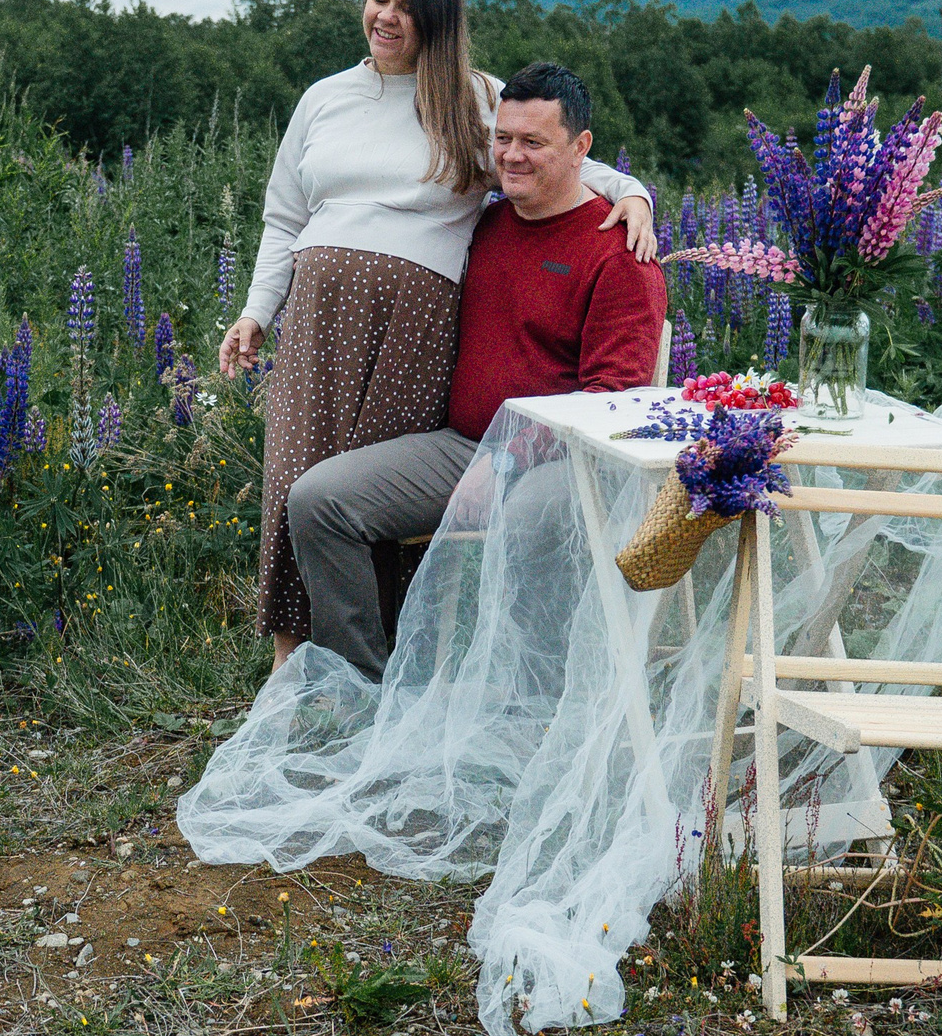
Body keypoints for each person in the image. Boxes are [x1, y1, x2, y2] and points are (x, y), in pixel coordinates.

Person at [219, 0, 655, 669]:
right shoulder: (324, 98)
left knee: (369, 510)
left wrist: (634, 193)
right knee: (296, 486)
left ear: (439, 21)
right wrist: (257, 310)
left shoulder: (473, 99)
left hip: (408, 335)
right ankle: (301, 674)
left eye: (408, 8)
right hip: (318, 323)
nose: (387, 17)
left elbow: (551, 155)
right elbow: (283, 217)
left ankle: (402, 673)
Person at [283, 62, 668, 677]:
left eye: (534, 143)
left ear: (581, 149)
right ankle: (362, 693)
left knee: (521, 523)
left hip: (569, 461)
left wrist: (510, 458)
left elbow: (611, 401)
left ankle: (526, 695)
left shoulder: (618, 252)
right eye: (504, 138)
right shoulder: (484, 224)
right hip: (464, 448)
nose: (512, 156)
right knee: (318, 501)